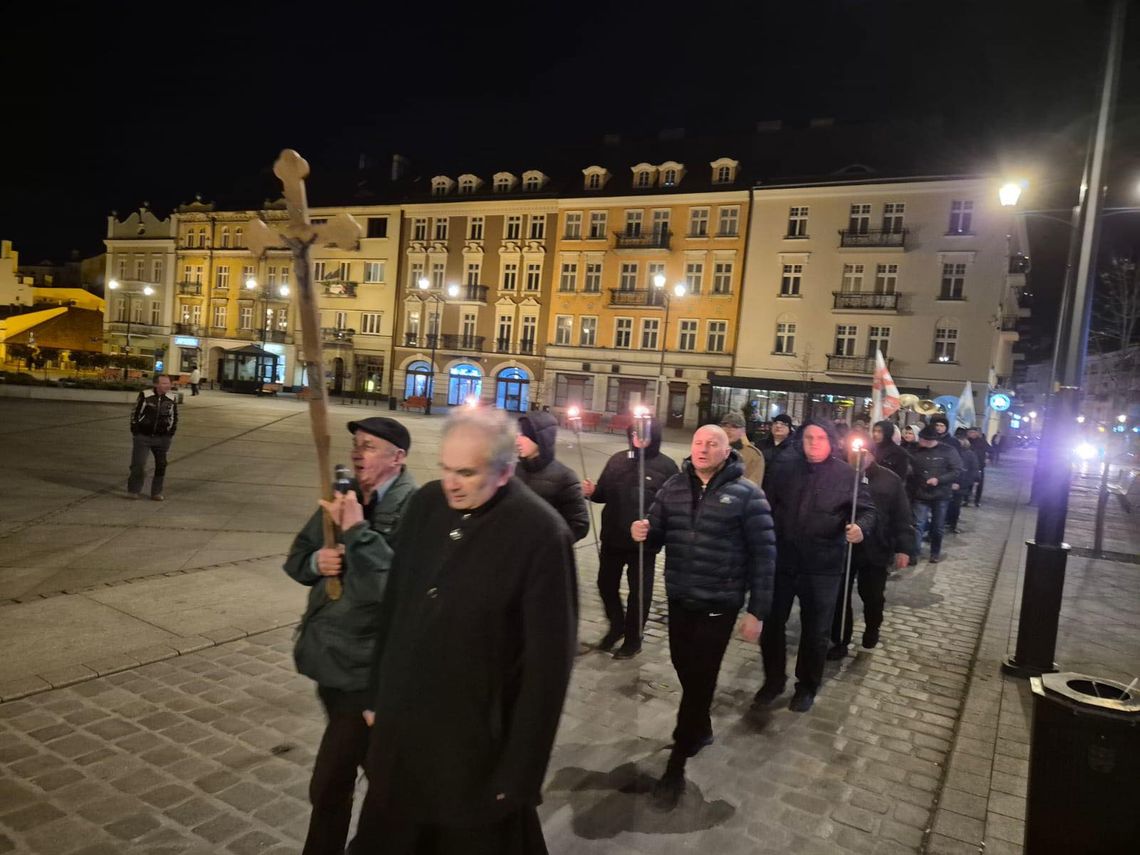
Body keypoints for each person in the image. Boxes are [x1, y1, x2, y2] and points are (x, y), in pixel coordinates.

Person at [352, 408, 576, 855]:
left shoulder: (541, 534)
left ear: (506, 469)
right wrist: (376, 694)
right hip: (404, 733)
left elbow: (547, 670)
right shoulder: (427, 503)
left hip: (473, 747)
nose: (451, 483)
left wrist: (520, 774)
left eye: (467, 473)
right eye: (446, 468)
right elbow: (396, 604)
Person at [283, 417, 417, 855]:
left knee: (331, 783)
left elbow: (400, 589)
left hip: (368, 673)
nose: (358, 453)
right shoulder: (342, 498)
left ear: (398, 457)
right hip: (330, 662)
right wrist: (316, 562)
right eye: (356, 444)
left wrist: (358, 532)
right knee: (377, 778)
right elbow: (297, 559)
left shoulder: (415, 509)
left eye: (371, 446)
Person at [631, 425, 775, 811]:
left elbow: (765, 557)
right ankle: (702, 725)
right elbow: (658, 534)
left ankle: (676, 765)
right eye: (698, 442)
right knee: (684, 666)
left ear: (728, 451)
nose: (703, 449)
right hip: (680, 597)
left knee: (699, 679)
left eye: (712, 443)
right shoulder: (674, 488)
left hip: (720, 601)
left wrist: (757, 611)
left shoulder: (748, 495)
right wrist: (644, 530)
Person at [755, 421, 875, 713]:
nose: (813, 442)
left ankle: (807, 685)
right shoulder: (784, 470)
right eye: (808, 437)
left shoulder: (847, 474)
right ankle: (773, 680)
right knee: (771, 625)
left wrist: (860, 527)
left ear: (831, 441)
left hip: (822, 566)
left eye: (820, 437)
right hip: (783, 561)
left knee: (815, 631)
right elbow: (766, 507)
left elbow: (867, 511)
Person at [583, 417, 678, 659]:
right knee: (606, 584)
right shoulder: (618, 460)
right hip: (613, 537)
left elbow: (672, 508)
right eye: (634, 433)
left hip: (644, 544)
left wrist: (653, 527)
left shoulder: (667, 467)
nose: (638, 438)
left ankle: (634, 638)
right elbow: (603, 493)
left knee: (639, 592)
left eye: (644, 433)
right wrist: (593, 492)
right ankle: (617, 626)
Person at [828, 447, 914, 659]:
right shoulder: (839, 475)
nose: (857, 456)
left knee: (873, 595)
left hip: (876, 546)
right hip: (844, 546)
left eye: (863, 452)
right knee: (839, 596)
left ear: (873, 454)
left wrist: (903, 547)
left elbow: (902, 515)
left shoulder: (889, 480)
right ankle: (840, 639)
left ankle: (872, 627)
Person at [514, 412, 590, 542]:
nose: (517, 441)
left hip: (544, 559)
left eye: (524, 435)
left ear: (540, 439)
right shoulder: (512, 471)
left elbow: (579, 524)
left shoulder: (565, 478)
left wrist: (549, 546)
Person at [908, 424, 963, 563]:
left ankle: (935, 552)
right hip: (920, 493)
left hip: (941, 495)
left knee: (937, 526)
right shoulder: (915, 450)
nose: (919, 441)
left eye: (921, 439)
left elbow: (956, 470)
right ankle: (914, 553)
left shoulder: (948, 451)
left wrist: (939, 480)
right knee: (918, 524)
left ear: (929, 440)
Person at [127, 374, 178, 501]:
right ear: (156, 384)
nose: (168, 386)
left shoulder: (172, 397)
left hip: (162, 438)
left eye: (169, 383)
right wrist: (136, 430)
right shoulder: (145, 395)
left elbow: (174, 416)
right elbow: (135, 413)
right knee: (138, 464)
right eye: (164, 383)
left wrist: (170, 432)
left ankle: (156, 492)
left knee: (161, 465)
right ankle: (134, 490)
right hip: (143, 436)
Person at [719, 411, 765, 486]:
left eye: (734, 427)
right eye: (725, 425)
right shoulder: (711, 449)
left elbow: (753, 486)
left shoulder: (753, 455)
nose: (728, 430)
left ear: (743, 431)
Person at [946, 437, 979, 534]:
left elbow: (972, 471)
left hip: (960, 485)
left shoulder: (969, 455)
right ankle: (949, 523)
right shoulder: (952, 453)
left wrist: (962, 484)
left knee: (955, 506)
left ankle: (952, 524)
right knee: (950, 505)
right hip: (951, 484)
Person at [758, 413, 794, 489]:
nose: (778, 426)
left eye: (783, 424)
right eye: (775, 423)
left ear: (789, 428)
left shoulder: (794, 448)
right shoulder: (761, 445)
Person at [872, 419, 911, 483]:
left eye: (879, 432)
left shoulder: (899, 453)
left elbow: (900, 477)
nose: (875, 434)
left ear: (887, 433)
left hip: (888, 488)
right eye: (874, 431)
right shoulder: (870, 448)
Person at [965, 427, 991, 505]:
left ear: (977, 433)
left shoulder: (982, 441)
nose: (971, 434)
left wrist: (988, 458)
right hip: (968, 465)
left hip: (980, 465)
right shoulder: (966, 442)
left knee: (979, 483)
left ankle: (977, 500)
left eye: (973, 432)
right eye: (969, 432)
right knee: (968, 483)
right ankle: (966, 499)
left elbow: (990, 450)